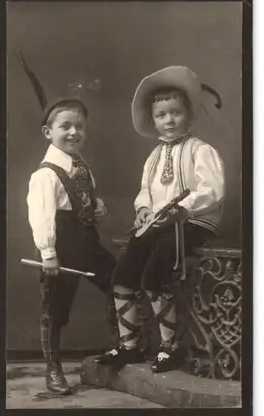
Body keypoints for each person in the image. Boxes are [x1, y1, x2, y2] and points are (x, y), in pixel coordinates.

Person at [95, 66, 225, 373]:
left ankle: (171, 347)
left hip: (191, 223)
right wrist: (143, 209)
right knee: (123, 275)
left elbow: (213, 190)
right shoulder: (154, 157)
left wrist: (184, 208)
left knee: (154, 276)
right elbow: (145, 192)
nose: (169, 121)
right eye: (161, 115)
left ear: (189, 116)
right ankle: (130, 345)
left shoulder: (201, 151)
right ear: (153, 121)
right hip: (157, 224)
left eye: (176, 113)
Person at [27, 98, 116, 394]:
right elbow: (42, 216)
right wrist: (48, 253)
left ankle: (124, 349)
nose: (74, 132)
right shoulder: (45, 174)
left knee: (121, 285)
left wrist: (96, 206)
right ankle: (54, 371)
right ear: (47, 132)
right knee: (55, 311)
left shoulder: (82, 168)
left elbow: (83, 199)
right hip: (62, 249)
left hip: (88, 245)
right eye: (65, 126)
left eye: (79, 126)